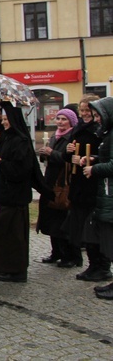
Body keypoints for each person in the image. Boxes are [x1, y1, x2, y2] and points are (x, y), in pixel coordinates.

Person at [0, 102, 51, 282]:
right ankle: (6, 266)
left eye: (6, 120)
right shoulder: (9, 138)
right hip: (6, 194)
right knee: (4, 235)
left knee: (14, 237)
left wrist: (1, 164)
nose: (4, 122)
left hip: (15, 196)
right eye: (2, 119)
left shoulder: (20, 142)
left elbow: (21, 170)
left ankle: (17, 270)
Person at [65, 95, 108, 282]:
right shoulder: (77, 129)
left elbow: (104, 157)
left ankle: (102, 265)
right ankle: (92, 264)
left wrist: (91, 161)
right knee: (84, 229)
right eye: (81, 110)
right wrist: (69, 154)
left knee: (95, 229)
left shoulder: (101, 131)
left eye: (87, 111)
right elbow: (71, 155)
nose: (84, 114)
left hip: (93, 184)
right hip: (79, 183)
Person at [37, 108, 78, 267]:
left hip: (63, 183)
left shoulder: (71, 138)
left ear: (71, 122)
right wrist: (45, 154)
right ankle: (56, 252)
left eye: (63, 119)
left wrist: (51, 152)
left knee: (62, 221)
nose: (60, 122)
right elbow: (49, 159)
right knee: (51, 219)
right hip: (51, 181)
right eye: (58, 118)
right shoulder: (55, 136)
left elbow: (66, 159)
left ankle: (69, 256)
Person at [82, 97, 113, 299]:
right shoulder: (107, 134)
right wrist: (94, 159)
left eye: (98, 115)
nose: (96, 119)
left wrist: (94, 168)